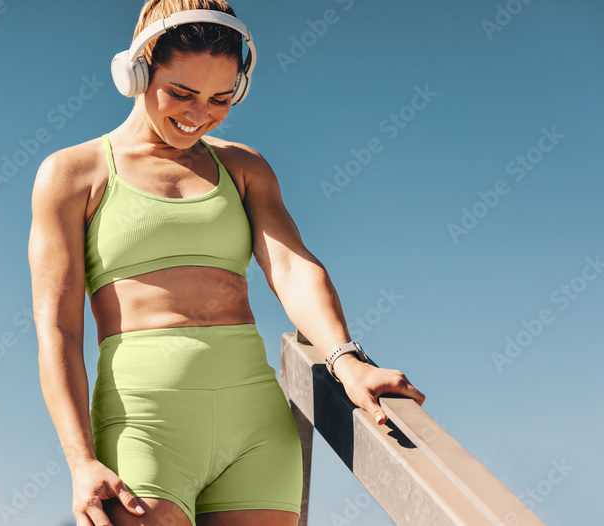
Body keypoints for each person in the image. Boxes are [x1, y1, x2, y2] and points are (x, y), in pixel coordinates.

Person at [28, 1, 426, 525]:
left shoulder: (242, 167)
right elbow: (58, 329)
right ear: (136, 72)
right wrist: (80, 461)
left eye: (221, 98)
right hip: (143, 426)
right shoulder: (72, 174)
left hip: (255, 429)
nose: (199, 114)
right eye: (181, 93)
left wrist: (345, 360)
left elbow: (291, 266)